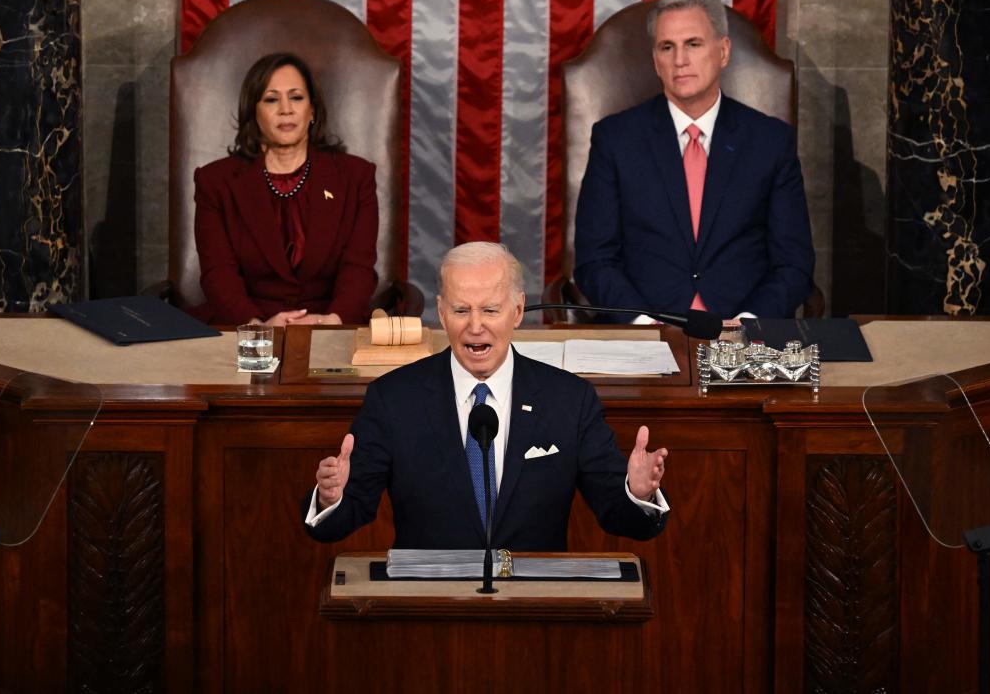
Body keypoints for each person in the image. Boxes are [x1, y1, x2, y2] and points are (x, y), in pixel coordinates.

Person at [302, 242, 669, 550]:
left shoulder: (569, 400)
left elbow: (618, 513)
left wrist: (637, 492)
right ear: (442, 314)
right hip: (428, 609)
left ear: (518, 311)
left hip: (535, 610)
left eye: (490, 310)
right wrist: (330, 498)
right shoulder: (394, 399)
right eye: (461, 310)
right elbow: (340, 519)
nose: (475, 326)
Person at [574, 0, 814, 320]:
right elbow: (595, 260)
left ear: (724, 51)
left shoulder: (770, 141)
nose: (680, 60)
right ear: (655, 60)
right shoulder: (615, 139)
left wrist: (749, 323)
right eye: (666, 47)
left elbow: (794, 264)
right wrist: (643, 325)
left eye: (694, 44)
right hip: (644, 334)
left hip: (742, 333)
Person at [192, 52, 378, 325]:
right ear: (253, 112)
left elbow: (359, 268)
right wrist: (257, 327)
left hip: (332, 325)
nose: (286, 109)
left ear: (312, 109)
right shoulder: (215, 182)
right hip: (245, 326)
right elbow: (218, 272)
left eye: (296, 97)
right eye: (270, 99)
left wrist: (332, 322)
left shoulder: (356, 176)